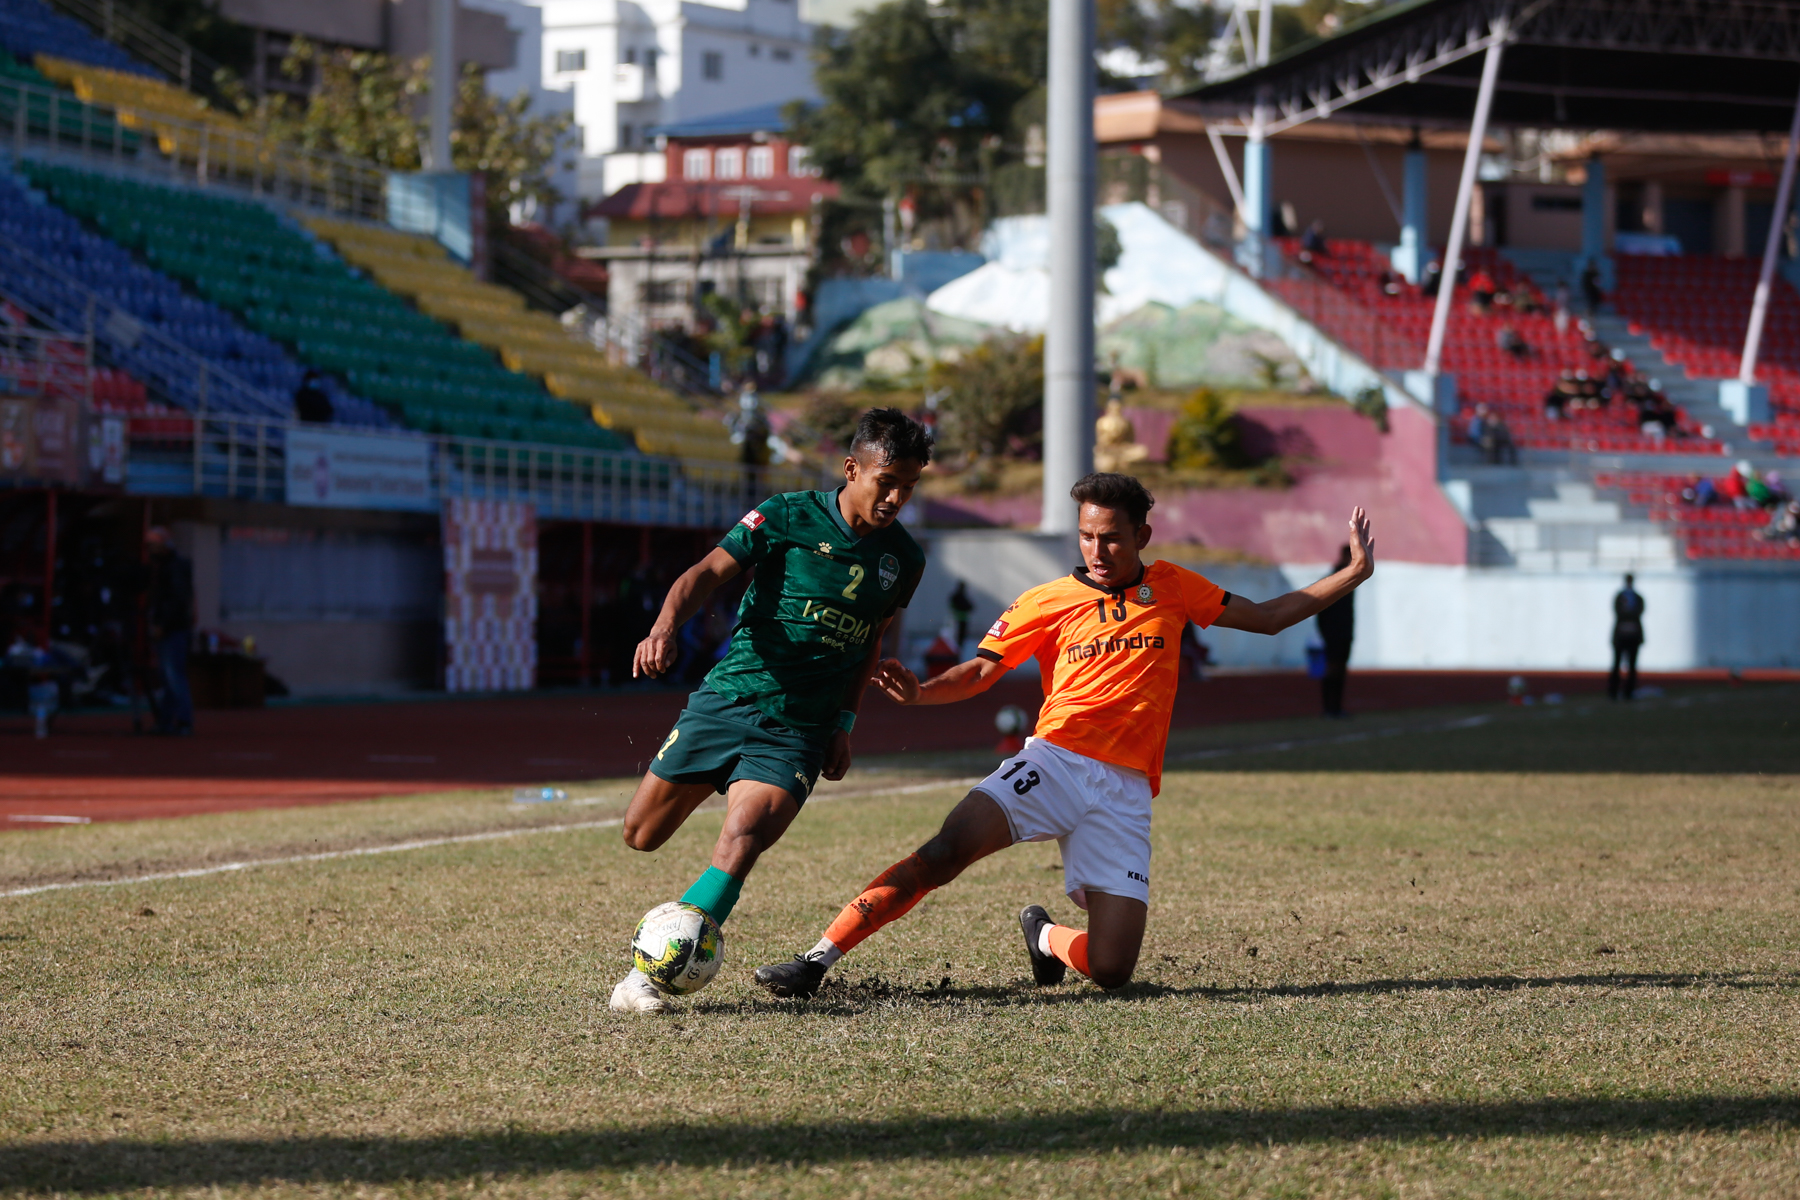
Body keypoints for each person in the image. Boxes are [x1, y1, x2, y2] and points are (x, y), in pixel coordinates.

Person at [752, 475, 1375, 998]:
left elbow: (1268, 618)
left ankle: (1045, 937)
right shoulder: (1046, 601)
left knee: (1112, 969)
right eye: (1086, 536)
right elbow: (980, 672)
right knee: (946, 850)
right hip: (1055, 763)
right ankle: (816, 959)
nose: (1097, 550)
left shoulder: (1176, 586)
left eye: (1112, 538)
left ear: (1142, 537)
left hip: (1126, 792)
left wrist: (1352, 573)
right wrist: (921, 692)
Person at [607, 408, 932, 1014]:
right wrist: (664, 627)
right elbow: (707, 571)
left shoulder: (904, 558)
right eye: (886, 482)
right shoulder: (786, 514)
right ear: (851, 469)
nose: (896, 498)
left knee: (745, 835)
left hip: (799, 729)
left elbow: (870, 641)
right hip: (730, 698)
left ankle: (651, 975)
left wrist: (843, 723)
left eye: (909, 487)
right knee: (641, 834)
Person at [143, 526, 194, 735]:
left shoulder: (173, 567)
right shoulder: (164, 566)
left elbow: (176, 600)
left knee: (174, 676)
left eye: (152, 545)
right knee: (167, 677)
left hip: (173, 629)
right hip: (170, 627)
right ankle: (166, 721)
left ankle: (182, 721)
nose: (149, 550)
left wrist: (163, 624)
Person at [1316, 543, 1355, 717]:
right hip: (1334, 635)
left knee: (1339, 672)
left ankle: (1336, 708)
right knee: (1332, 671)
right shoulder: (1333, 579)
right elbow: (1321, 610)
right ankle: (1329, 708)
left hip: (1343, 634)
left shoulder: (1349, 580)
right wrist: (1325, 634)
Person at [1608, 574, 1644, 701]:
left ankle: (1627, 692)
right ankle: (1615, 692)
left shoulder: (1635, 598)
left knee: (1630, 666)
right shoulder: (1626, 597)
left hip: (1630, 636)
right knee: (1618, 664)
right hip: (1624, 636)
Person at [948, 580, 974, 648]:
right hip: (960, 618)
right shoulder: (960, 597)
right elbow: (970, 606)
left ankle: (957, 647)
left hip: (960, 617)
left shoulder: (957, 596)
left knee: (959, 634)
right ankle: (958, 647)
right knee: (959, 634)